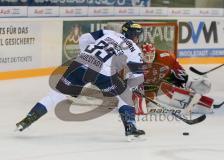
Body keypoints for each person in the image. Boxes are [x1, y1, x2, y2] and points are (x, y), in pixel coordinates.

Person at [16, 21, 146, 139]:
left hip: (79, 64)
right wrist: (130, 87)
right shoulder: (134, 49)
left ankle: (27, 120)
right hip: (102, 72)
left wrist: (88, 56)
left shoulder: (109, 33)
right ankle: (130, 127)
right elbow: (136, 76)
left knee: (56, 95)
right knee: (124, 97)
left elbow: (84, 38)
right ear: (135, 36)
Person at [133, 43, 214, 115]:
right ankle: (150, 105)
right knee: (148, 98)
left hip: (162, 80)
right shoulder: (134, 60)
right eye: (147, 57)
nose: (149, 59)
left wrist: (186, 79)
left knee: (174, 79)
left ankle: (191, 84)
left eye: (151, 56)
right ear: (142, 55)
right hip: (146, 87)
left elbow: (177, 67)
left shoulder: (165, 56)